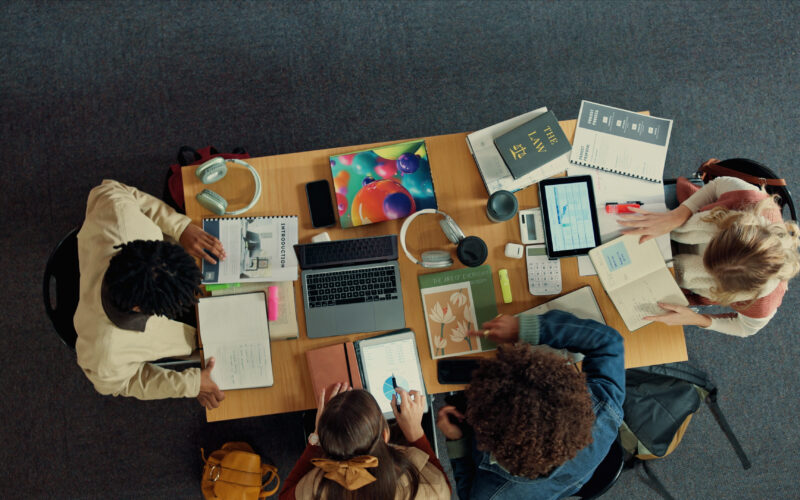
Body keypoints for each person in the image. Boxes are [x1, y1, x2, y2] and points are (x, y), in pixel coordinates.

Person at [436, 310, 624, 500]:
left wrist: (457, 441)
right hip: (574, 479)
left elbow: (467, 491)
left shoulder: (490, 494)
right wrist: (525, 328)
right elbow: (609, 342)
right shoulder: (606, 408)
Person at [74, 179, 227, 408]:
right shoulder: (105, 352)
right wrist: (188, 384)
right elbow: (122, 383)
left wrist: (180, 228)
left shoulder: (117, 214)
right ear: (139, 309)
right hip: (188, 337)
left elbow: (114, 189)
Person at [618, 160, 800, 336]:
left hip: (685, 278)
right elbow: (717, 185)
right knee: (619, 202)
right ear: (731, 228)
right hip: (686, 213)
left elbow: (746, 328)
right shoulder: (749, 199)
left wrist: (698, 319)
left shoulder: (763, 300)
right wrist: (679, 215)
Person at [281, 384, 450, 499]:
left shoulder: (314, 488)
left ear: (327, 445)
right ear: (385, 435)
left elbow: (285, 495)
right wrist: (415, 433)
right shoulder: (426, 489)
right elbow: (444, 489)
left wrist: (315, 439)